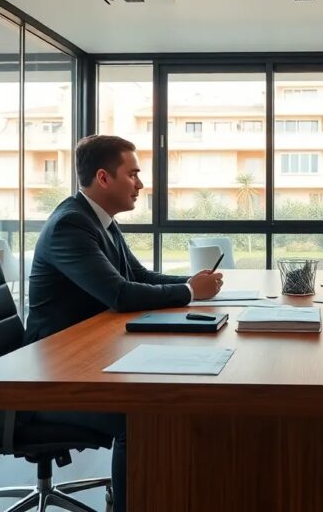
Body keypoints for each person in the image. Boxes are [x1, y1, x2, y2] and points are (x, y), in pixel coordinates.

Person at [24, 134, 224, 512]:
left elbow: (139, 276)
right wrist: (189, 292)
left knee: (171, 396)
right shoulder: (71, 224)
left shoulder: (100, 221)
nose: (140, 184)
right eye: (132, 174)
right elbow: (120, 295)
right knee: (142, 415)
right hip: (55, 372)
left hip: (87, 357)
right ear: (103, 178)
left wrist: (188, 285)